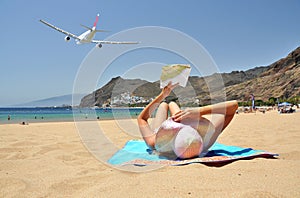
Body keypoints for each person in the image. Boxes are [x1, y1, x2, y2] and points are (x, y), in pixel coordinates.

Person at [137, 82, 238, 159]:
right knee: (177, 112)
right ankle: (172, 103)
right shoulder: (206, 140)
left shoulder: (155, 142)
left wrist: (162, 96)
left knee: (163, 105)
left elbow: (142, 118)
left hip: (163, 136)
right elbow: (233, 106)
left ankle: (169, 102)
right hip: (182, 132)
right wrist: (199, 111)